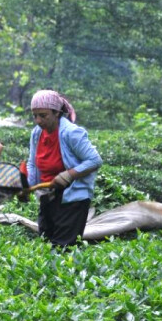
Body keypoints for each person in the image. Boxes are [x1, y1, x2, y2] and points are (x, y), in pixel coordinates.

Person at [26, 90, 103, 248]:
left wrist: (69, 175)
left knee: (64, 247)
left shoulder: (72, 133)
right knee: (46, 241)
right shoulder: (36, 133)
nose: (38, 120)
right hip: (48, 194)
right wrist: (28, 185)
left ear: (56, 113)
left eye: (43, 115)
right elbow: (32, 163)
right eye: (35, 116)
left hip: (72, 196)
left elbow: (95, 160)